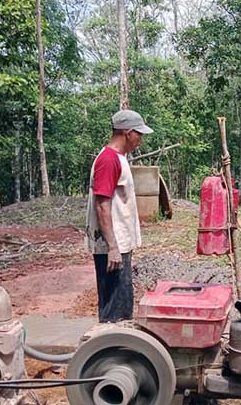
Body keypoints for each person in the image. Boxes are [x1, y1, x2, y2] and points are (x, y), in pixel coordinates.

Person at [86, 109, 153, 322]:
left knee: (122, 304)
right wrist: (112, 247)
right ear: (127, 132)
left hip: (119, 244)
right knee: (114, 309)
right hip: (112, 247)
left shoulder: (118, 158)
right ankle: (111, 349)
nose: (140, 139)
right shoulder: (108, 160)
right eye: (139, 134)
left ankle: (118, 347)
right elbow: (102, 205)